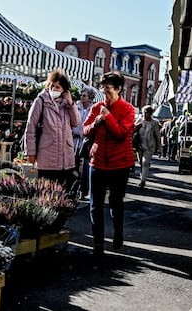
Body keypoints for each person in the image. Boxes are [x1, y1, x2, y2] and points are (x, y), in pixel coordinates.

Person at [82, 71, 135, 256]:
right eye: (103, 88)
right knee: (95, 205)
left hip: (119, 164)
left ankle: (118, 233)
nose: (105, 93)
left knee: (115, 202)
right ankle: (98, 244)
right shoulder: (96, 107)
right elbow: (85, 131)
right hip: (96, 163)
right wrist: (96, 122)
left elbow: (121, 133)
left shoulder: (128, 109)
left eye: (109, 89)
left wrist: (108, 116)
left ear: (119, 89)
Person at [24, 68, 80, 189]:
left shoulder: (67, 104)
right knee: (47, 195)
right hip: (47, 159)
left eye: (58, 87)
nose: (54, 89)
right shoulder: (40, 101)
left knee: (63, 197)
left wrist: (71, 104)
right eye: (52, 85)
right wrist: (31, 153)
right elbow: (30, 128)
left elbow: (76, 123)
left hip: (66, 160)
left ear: (64, 90)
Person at [72, 86, 95, 200]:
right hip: (74, 141)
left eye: (84, 95)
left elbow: (91, 126)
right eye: (81, 94)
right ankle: (72, 189)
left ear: (90, 98)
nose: (81, 96)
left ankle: (83, 190)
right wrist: (74, 131)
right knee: (73, 167)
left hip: (86, 144)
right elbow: (72, 122)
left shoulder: (94, 110)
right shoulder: (76, 107)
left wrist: (82, 133)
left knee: (85, 169)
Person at [134, 105, 161, 188]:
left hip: (149, 146)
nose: (145, 114)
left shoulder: (154, 123)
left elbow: (157, 136)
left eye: (147, 113)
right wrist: (136, 127)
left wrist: (159, 147)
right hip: (139, 145)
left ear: (150, 113)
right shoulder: (139, 120)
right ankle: (142, 177)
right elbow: (133, 130)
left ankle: (143, 181)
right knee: (140, 163)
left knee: (145, 162)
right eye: (144, 112)